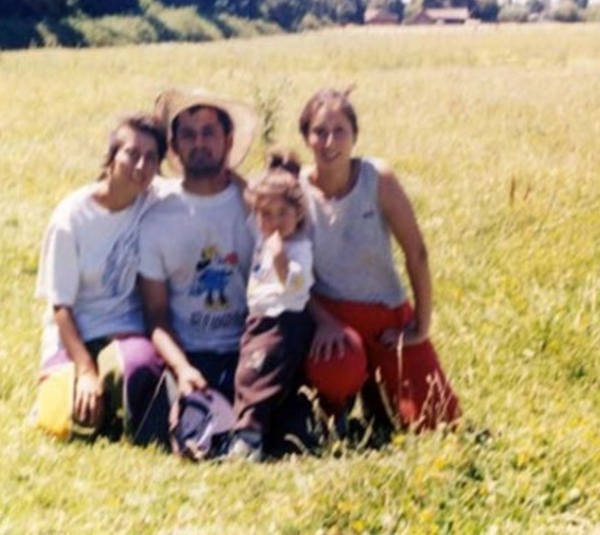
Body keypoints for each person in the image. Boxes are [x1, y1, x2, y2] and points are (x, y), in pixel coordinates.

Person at [298, 88, 460, 433]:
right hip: (331, 318)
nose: (329, 142)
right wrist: (324, 321)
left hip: (386, 317)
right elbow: (292, 273)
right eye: (319, 132)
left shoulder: (377, 178)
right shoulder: (296, 191)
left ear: (355, 135)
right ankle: (337, 408)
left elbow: (416, 252)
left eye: (339, 130)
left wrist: (421, 325)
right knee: (336, 367)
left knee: (437, 423)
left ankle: (376, 397)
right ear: (306, 138)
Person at [34, 113, 168, 441]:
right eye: (131, 154)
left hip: (124, 331)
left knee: (136, 371)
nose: (140, 166)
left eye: (151, 158)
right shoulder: (71, 217)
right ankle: (85, 393)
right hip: (72, 336)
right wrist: (84, 369)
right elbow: (60, 307)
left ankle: (115, 396)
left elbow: (202, 183)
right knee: (65, 422)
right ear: (110, 158)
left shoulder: (153, 202)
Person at [138, 88, 258, 452]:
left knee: (295, 431)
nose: (199, 143)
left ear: (228, 140)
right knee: (182, 435)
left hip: (250, 351)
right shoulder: (156, 218)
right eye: (188, 134)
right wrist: (182, 369)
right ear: (173, 146)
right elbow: (155, 315)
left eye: (209, 132)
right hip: (190, 354)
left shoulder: (257, 207)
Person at [229, 148, 315, 460]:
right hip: (258, 318)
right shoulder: (263, 235)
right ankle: (273, 431)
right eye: (266, 214)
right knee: (253, 373)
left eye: (283, 213)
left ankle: (249, 437)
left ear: (299, 213)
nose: (274, 221)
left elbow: (298, 286)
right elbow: (251, 193)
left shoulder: (297, 247)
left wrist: (281, 260)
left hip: (283, 320)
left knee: (256, 373)